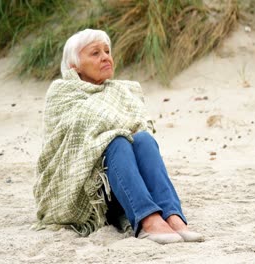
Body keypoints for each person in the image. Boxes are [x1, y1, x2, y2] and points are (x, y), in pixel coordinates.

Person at [33, 29, 203, 244]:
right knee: (117, 141)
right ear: (74, 66)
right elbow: (84, 128)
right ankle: (148, 219)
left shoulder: (122, 92)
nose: (105, 57)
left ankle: (172, 215)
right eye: (95, 53)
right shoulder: (62, 92)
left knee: (144, 139)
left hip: (124, 189)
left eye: (107, 51)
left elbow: (140, 125)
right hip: (88, 193)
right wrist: (117, 131)